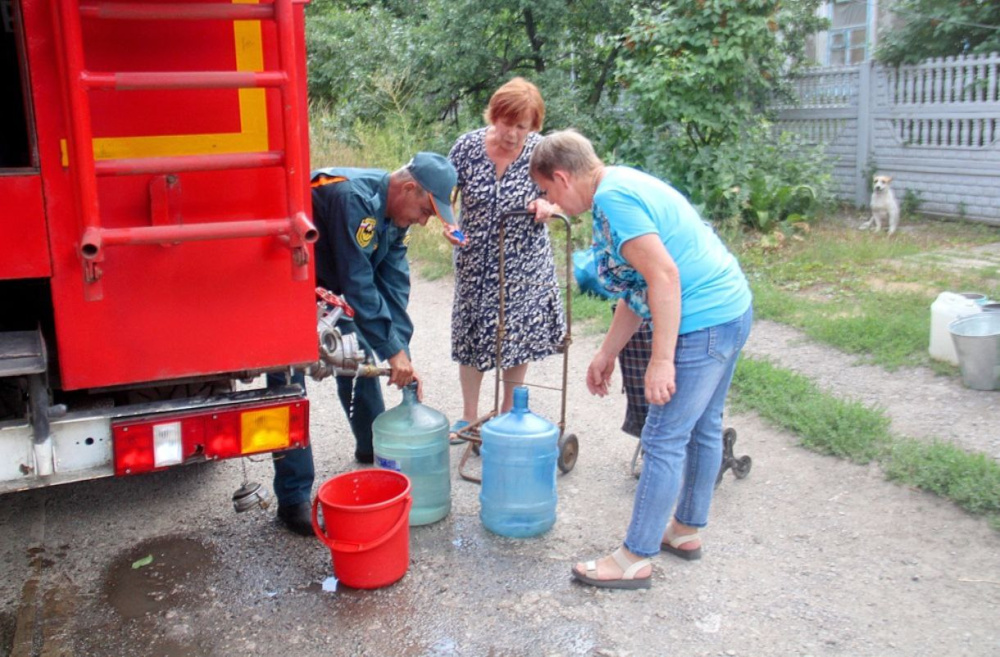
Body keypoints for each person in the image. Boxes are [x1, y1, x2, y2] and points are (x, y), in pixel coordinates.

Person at [529, 130, 753, 590]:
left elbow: (664, 277)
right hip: (732, 308)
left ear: (561, 177)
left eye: (547, 192)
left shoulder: (614, 202)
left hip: (704, 320)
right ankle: (686, 530)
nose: (548, 202)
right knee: (705, 426)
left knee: (664, 436)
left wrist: (661, 360)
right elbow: (637, 288)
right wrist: (607, 353)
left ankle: (635, 557)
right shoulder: (618, 184)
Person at [272, 152, 458, 536]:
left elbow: (393, 286)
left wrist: (401, 354)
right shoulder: (352, 198)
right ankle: (292, 500)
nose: (424, 221)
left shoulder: (393, 219)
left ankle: (372, 449)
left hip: (333, 289)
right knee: (289, 389)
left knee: (361, 362)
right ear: (409, 188)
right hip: (286, 287)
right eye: (426, 210)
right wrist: (394, 352)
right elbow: (359, 283)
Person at [446, 77, 564, 437]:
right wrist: (447, 223)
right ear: (493, 115)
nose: (512, 133)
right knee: (471, 334)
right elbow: (442, 191)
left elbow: (565, 195)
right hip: (473, 261)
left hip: (522, 263)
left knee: (515, 336)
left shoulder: (542, 152)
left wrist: (548, 205)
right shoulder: (466, 147)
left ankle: (509, 413)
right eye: (506, 123)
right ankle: (469, 417)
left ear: (534, 126)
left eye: (522, 126)